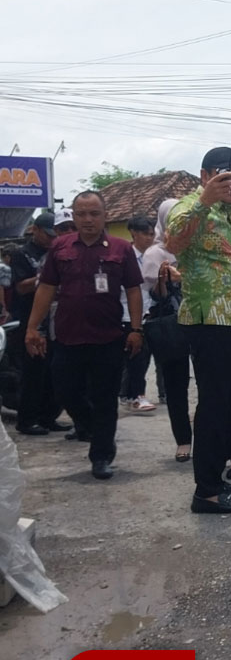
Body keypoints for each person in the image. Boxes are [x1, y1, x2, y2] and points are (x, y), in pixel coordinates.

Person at [24, 192, 144, 479]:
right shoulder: (60, 247)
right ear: (74, 216)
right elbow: (46, 288)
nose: (88, 219)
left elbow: (133, 289)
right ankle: (90, 425)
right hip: (67, 337)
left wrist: (137, 329)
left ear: (104, 215)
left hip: (108, 337)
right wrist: (32, 327)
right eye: (82, 214)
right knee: (65, 389)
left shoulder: (120, 249)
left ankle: (101, 456)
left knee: (105, 399)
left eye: (94, 213)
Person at [165, 146, 231, 513]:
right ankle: (205, 491)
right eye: (225, 173)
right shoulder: (188, 206)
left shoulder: (229, 216)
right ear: (205, 176)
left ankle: (216, 481)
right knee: (214, 406)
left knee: (227, 406)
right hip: (208, 320)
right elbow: (174, 243)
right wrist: (203, 200)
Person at [9, 213, 67, 436]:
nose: (51, 239)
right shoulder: (21, 253)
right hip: (29, 319)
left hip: (55, 319)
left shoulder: (57, 252)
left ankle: (48, 417)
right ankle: (27, 420)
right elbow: (21, 287)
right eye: (48, 234)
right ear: (35, 229)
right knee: (33, 372)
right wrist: (46, 276)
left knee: (54, 373)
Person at [143, 204, 192, 463]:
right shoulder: (155, 253)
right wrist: (166, 278)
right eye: (172, 220)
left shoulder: (198, 247)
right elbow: (155, 296)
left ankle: (212, 437)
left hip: (204, 321)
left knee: (211, 384)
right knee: (175, 385)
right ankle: (183, 440)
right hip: (173, 323)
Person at [119, 216, 157, 413]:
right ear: (134, 233)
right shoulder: (125, 256)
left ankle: (129, 393)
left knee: (143, 357)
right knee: (135, 357)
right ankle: (137, 396)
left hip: (150, 312)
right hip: (127, 313)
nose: (149, 238)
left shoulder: (155, 256)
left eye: (152, 234)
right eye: (145, 234)